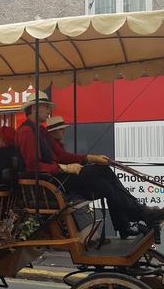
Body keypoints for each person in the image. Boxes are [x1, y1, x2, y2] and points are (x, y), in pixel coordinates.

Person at [16, 93, 164, 238]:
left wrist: (88, 158)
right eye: (45, 107)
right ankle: (141, 212)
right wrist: (64, 168)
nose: (49, 111)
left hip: (58, 178)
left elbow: (62, 156)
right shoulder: (26, 131)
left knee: (105, 186)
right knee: (102, 170)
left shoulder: (40, 131)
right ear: (34, 108)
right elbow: (33, 166)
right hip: (53, 183)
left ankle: (124, 225)